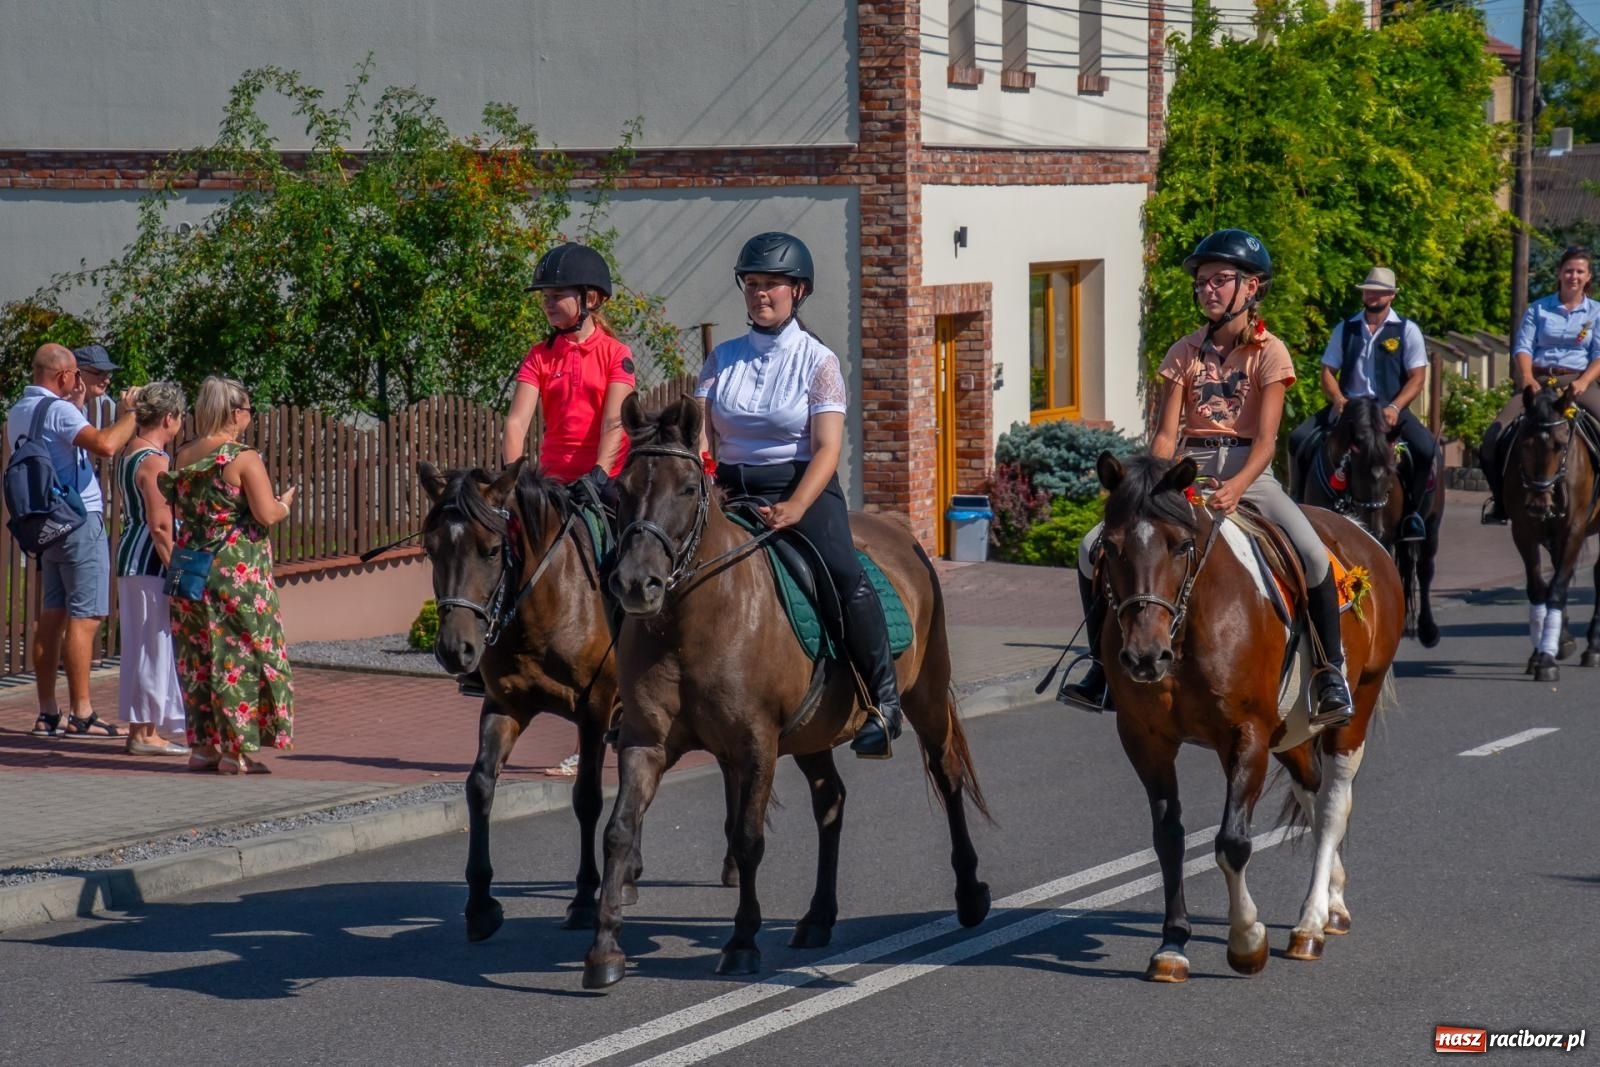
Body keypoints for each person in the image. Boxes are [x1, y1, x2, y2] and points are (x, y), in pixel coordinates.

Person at [1060, 229, 1354, 728]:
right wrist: (1153, 485)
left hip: (1249, 474)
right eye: (1202, 282)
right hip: (1185, 475)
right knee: (1092, 549)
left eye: (1220, 281)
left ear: (1252, 287)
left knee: (1311, 554)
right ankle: (1101, 670)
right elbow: (1164, 435)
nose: (1208, 290)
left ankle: (1330, 672)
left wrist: (1238, 487)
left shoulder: (1271, 353)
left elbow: (1265, 443)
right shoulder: (1183, 352)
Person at [693, 231, 903, 759]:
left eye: (773, 285)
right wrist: (702, 482)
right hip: (729, 489)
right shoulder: (722, 360)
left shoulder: (818, 362)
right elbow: (700, 438)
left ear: (799, 292)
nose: (760, 293)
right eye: (752, 284)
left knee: (844, 573)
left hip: (799, 486)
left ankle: (884, 700)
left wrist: (796, 507)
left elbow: (828, 448)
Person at [456, 241, 638, 716]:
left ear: (591, 300)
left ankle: (630, 660)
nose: (549, 303)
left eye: (558, 295)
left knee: (622, 558)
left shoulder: (617, 354)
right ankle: (486, 661)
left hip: (603, 481)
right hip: (548, 484)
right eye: (546, 296)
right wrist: (512, 482)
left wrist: (600, 472)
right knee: (497, 553)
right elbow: (517, 422)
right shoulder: (539, 356)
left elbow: (616, 421)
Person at [5, 343, 140, 740]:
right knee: (86, 617)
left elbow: (58, 451)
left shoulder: (20, 410)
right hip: (78, 521)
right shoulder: (60, 411)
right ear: (65, 375)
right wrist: (130, 413)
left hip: (48, 524)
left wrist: (77, 406)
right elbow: (107, 445)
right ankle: (82, 712)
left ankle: (48, 712)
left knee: (52, 616)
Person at [164, 376, 296, 774]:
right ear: (235, 412)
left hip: (191, 569)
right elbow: (266, 513)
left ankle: (203, 747)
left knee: (198, 657)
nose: (249, 417)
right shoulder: (242, 458)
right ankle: (236, 751)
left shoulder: (184, 454)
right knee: (241, 656)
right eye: (248, 410)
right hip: (236, 572)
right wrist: (285, 504)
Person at [1287, 266, 1434, 541]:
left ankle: (1412, 514)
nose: (1372, 295)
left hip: (1388, 410)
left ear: (1391, 295)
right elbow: (1327, 372)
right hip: (1350, 408)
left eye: (1379, 291)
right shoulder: (1346, 328)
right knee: (1298, 438)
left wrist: (1395, 406)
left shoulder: (1406, 330)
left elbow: (1418, 377)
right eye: (1369, 290)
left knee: (1426, 449)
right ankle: (1297, 499)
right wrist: (1338, 400)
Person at [1479, 246, 1600, 523]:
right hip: (1540, 383)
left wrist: (1583, 381)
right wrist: (1528, 379)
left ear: (1588, 276)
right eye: (1569, 270)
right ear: (1559, 273)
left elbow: (1599, 355)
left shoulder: (1596, 312)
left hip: (1578, 383)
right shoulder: (1539, 308)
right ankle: (1500, 503)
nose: (1573, 276)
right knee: (1492, 440)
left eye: (1580, 271)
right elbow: (1523, 347)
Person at [116, 381, 189, 757]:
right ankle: (144, 732)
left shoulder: (129, 452)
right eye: (180, 417)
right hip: (148, 562)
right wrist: (178, 571)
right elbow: (161, 526)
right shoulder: (155, 461)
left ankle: (142, 727)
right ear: (169, 417)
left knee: (140, 643)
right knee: (152, 644)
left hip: (130, 556)